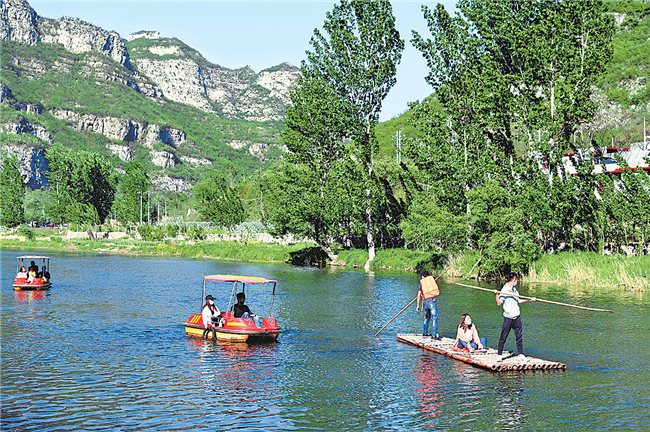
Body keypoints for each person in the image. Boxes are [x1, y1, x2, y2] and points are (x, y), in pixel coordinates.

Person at [494, 272, 536, 362]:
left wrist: (530, 300)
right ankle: (499, 355)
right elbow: (498, 303)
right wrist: (496, 294)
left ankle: (520, 355)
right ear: (514, 280)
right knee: (503, 336)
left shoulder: (515, 290)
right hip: (508, 317)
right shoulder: (504, 290)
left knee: (519, 337)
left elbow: (519, 301)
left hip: (516, 317)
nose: (517, 281)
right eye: (517, 280)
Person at [416, 270, 441, 339]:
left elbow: (418, 296)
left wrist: (418, 306)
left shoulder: (421, 284)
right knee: (434, 319)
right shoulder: (431, 282)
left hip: (426, 303)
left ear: (422, 276)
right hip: (432, 302)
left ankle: (425, 333)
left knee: (427, 318)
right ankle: (433, 335)